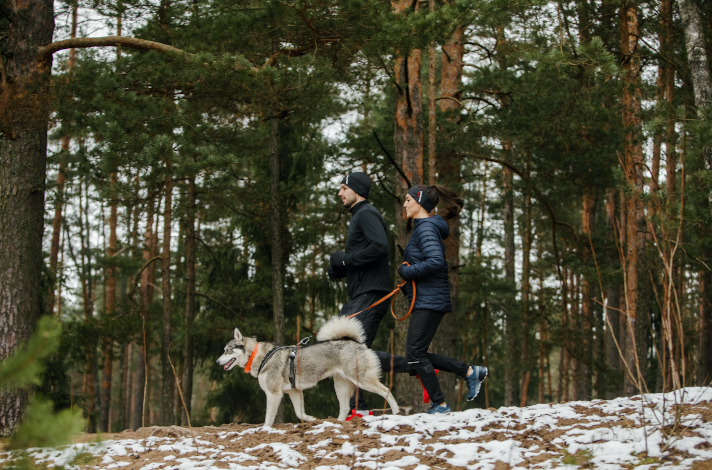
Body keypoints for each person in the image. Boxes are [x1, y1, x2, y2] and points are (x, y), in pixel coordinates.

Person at [394, 184, 488, 414]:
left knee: (415, 353)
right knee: (418, 353)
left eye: (408, 200)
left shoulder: (425, 228)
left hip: (430, 300)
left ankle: (441, 404)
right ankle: (468, 372)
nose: (404, 204)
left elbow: (436, 262)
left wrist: (406, 272)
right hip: (427, 299)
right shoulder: (424, 227)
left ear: (420, 202)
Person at [328, 172, 391, 419]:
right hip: (361, 293)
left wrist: (346, 260)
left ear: (357, 191)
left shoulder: (366, 213)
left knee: (349, 349)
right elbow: (369, 254)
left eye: (344, 188)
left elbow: (380, 247)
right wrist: (341, 270)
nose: (340, 193)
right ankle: (359, 408)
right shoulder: (360, 215)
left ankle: (360, 409)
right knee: (346, 349)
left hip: (369, 295)